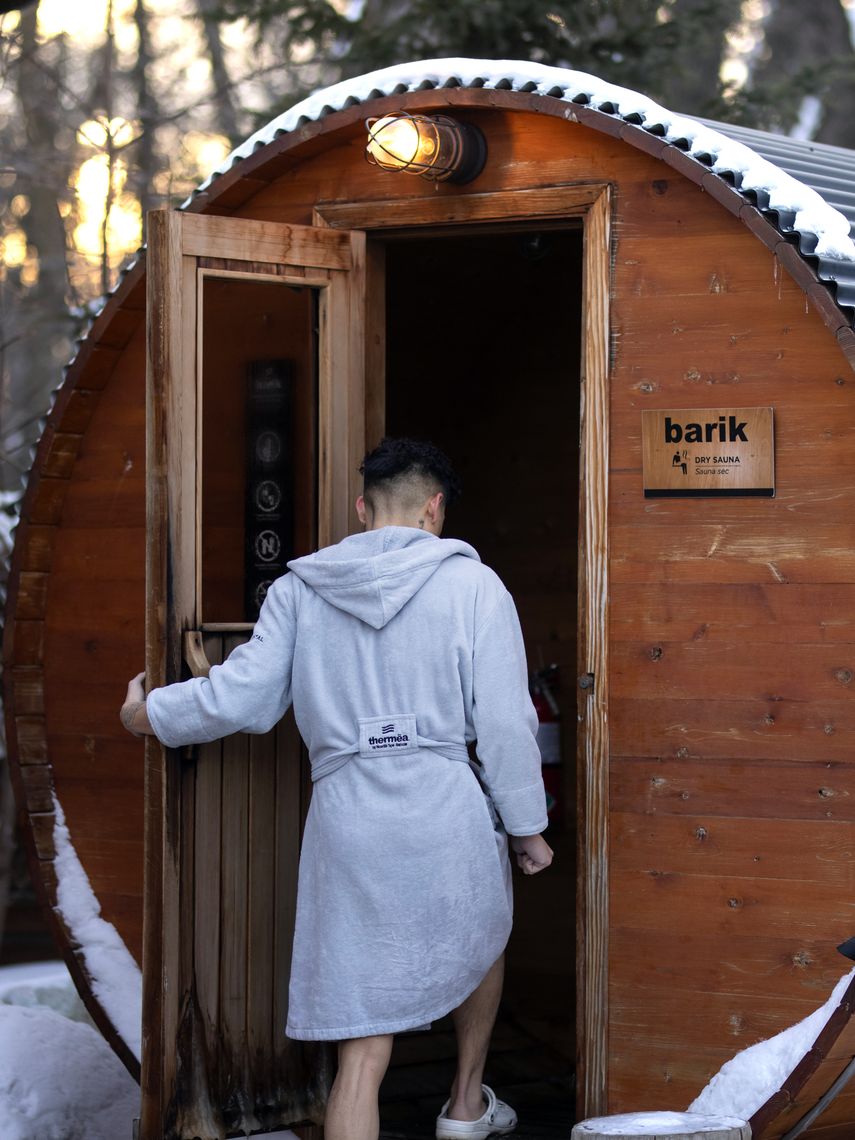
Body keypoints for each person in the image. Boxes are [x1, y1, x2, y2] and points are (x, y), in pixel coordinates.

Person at [121, 437, 553, 1140]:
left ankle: (397, 1100)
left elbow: (241, 698)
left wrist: (148, 714)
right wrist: (526, 827)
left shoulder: (300, 591)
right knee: (481, 934)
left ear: (361, 509)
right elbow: (505, 722)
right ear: (433, 509)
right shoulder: (474, 586)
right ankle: (466, 1103)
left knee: (363, 1027)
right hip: (443, 802)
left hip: (347, 812)